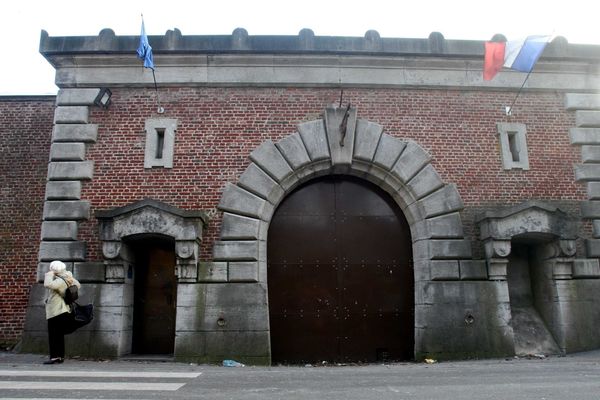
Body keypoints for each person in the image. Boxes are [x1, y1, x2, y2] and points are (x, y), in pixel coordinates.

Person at [43, 260, 81, 364]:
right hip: (63, 309)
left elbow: (48, 284)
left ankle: (55, 357)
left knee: (54, 334)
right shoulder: (68, 277)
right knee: (59, 335)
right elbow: (78, 285)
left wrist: (49, 274)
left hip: (56, 310)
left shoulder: (60, 280)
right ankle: (60, 357)